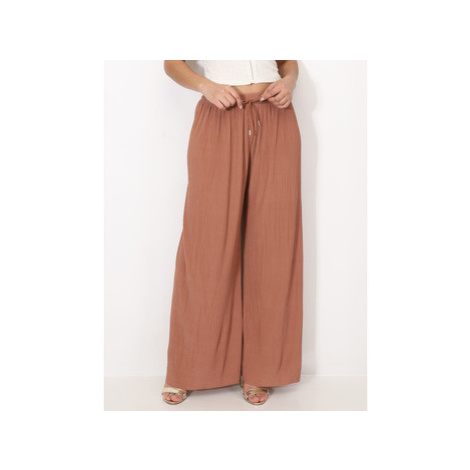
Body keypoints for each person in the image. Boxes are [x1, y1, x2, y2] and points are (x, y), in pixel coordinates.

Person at [161, 60, 303, 405]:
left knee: (274, 244)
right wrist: (206, 87)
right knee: (206, 242)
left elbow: (287, 62)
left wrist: (289, 82)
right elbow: (172, 62)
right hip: (219, 114)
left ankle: (262, 370)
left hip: (276, 116)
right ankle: (189, 368)